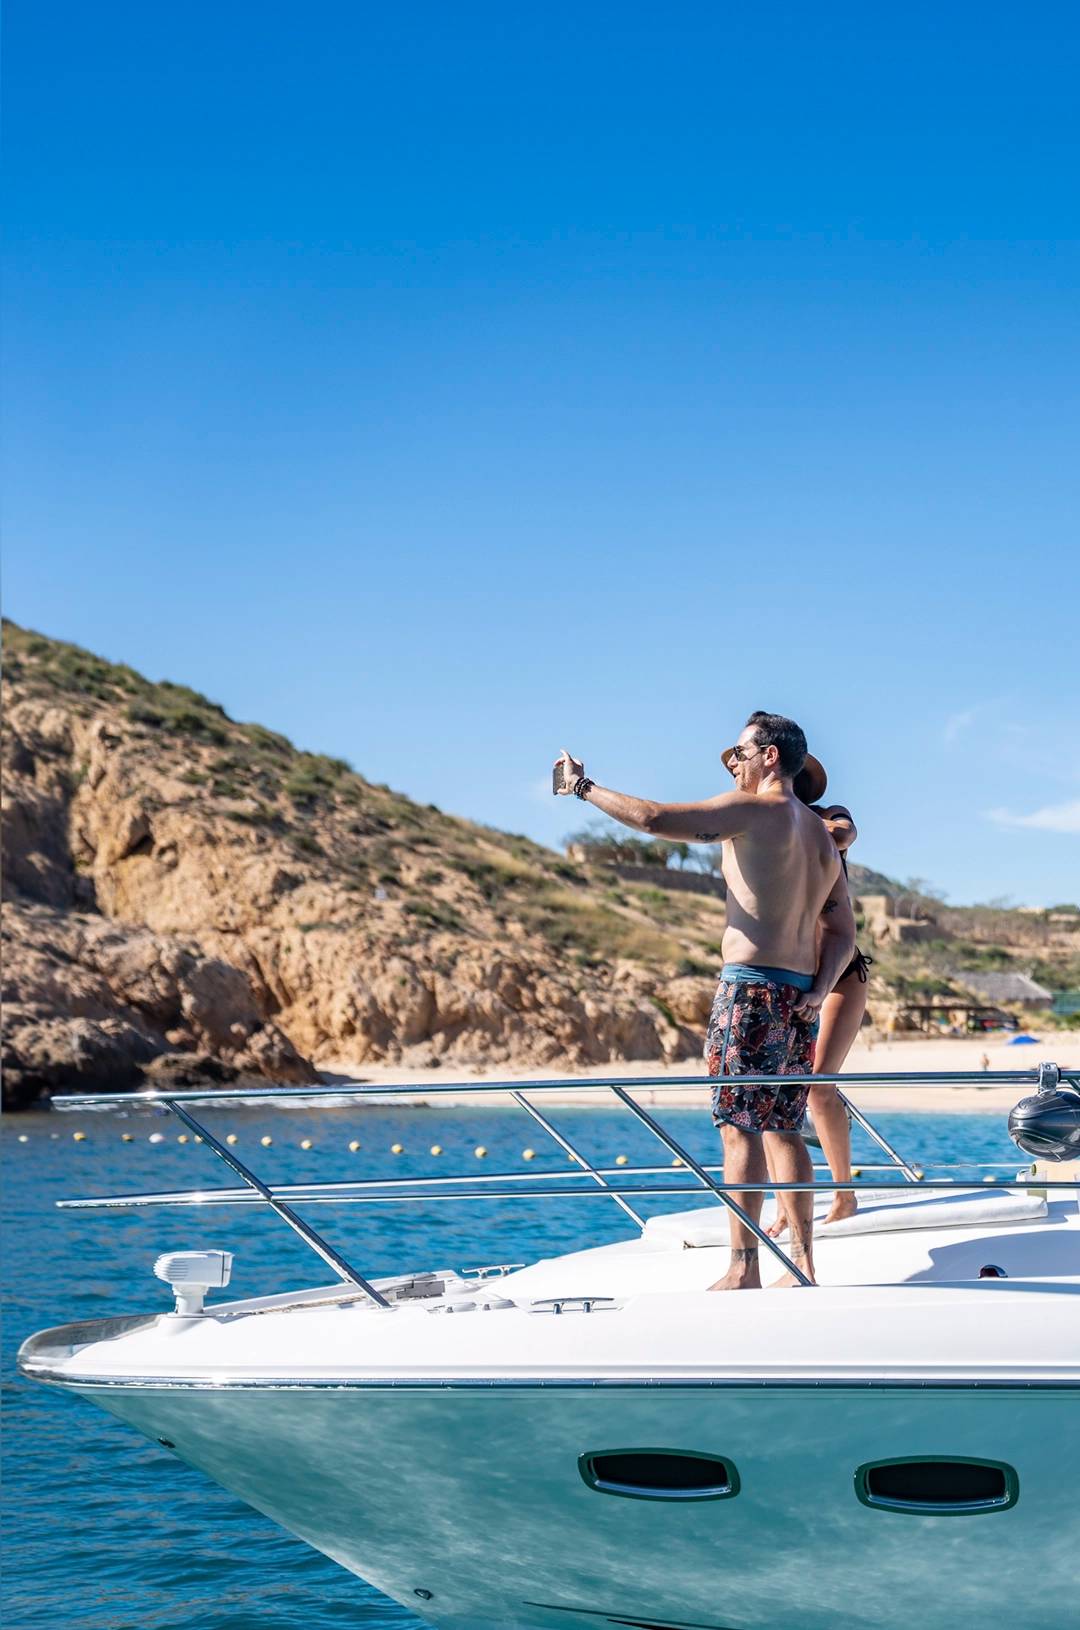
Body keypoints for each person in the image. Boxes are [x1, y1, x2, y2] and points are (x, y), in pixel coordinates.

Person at [554, 711, 856, 1289]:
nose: (732, 763)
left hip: (749, 991)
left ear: (770, 757)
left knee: (738, 1129)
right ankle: (802, 1266)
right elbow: (842, 933)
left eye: (738, 753)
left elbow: (654, 818)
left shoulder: (755, 811)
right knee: (785, 1128)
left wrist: (583, 788)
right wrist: (819, 989)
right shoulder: (821, 836)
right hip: (798, 995)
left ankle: (743, 1267)